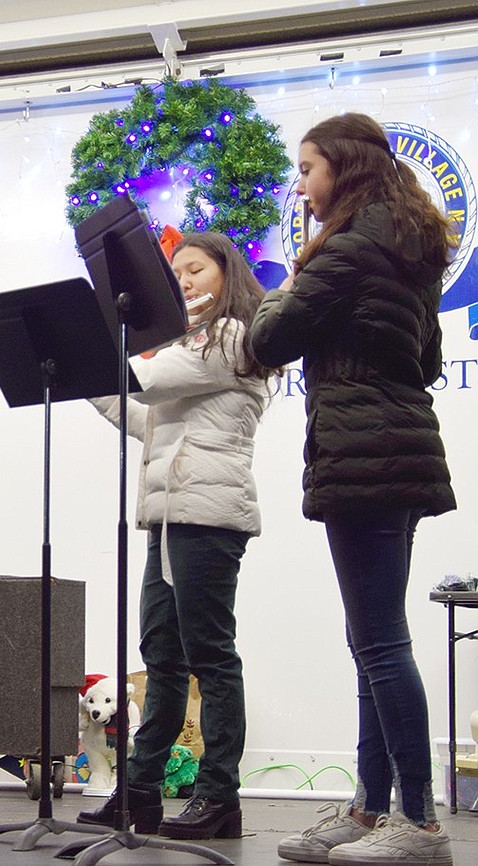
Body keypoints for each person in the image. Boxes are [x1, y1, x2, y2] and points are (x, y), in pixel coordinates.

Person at [250, 113, 455, 866]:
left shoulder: (348, 247)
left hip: (363, 450)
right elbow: (427, 359)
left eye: (307, 170)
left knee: (378, 640)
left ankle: (422, 825)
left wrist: (286, 284)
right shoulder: (407, 249)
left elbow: (267, 342)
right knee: (372, 637)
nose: (300, 186)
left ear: (343, 166)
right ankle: (372, 809)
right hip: (400, 445)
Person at [77, 232, 278, 840]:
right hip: (169, 514)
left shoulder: (230, 337)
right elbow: (142, 416)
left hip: (208, 516)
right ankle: (139, 792)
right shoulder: (187, 345)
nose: (185, 281)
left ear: (227, 274)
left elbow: (151, 381)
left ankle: (220, 796)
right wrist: (85, 374)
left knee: (211, 657)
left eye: (196, 269)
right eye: (178, 273)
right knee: (161, 657)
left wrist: (101, 345)